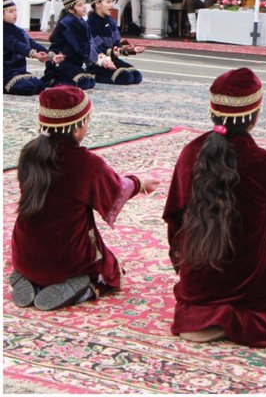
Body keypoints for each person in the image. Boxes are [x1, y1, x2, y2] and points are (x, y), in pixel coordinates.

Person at [163, 68, 266, 345]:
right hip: (248, 284)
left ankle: (204, 311)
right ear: (256, 114)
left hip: (196, 282)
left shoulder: (189, 153)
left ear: (212, 110)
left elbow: (174, 216)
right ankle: (232, 316)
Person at [9, 85, 159, 310]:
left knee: (37, 253)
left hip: (24, 252)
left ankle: (29, 278)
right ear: (77, 128)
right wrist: (140, 183)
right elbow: (116, 189)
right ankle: (86, 287)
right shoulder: (85, 163)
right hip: (67, 259)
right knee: (110, 271)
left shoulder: (29, 153)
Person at [44, 0, 108, 89]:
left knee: (90, 81)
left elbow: (90, 43)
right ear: (70, 9)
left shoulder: (82, 22)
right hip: (62, 64)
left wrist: (103, 58)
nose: (84, 7)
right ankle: (54, 79)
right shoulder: (67, 23)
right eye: (80, 5)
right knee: (84, 81)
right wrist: (100, 60)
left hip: (75, 64)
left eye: (84, 4)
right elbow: (81, 47)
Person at [5, 0, 63, 95]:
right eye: (11, 11)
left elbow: (31, 43)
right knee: (28, 88)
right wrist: (35, 55)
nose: (15, 14)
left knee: (40, 86)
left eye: (15, 10)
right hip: (5, 71)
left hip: (18, 71)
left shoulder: (18, 30)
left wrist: (50, 55)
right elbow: (16, 45)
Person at [86, 0, 145, 84]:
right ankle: (94, 74)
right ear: (97, 4)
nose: (112, 5)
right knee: (126, 77)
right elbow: (97, 49)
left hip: (113, 59)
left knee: (137, 76)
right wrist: (116, 52)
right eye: (108, 2)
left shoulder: (111, 21)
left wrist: (131, 49)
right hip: (98, 62)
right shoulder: (90, 23)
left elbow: (117, 44)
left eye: (112, 2)